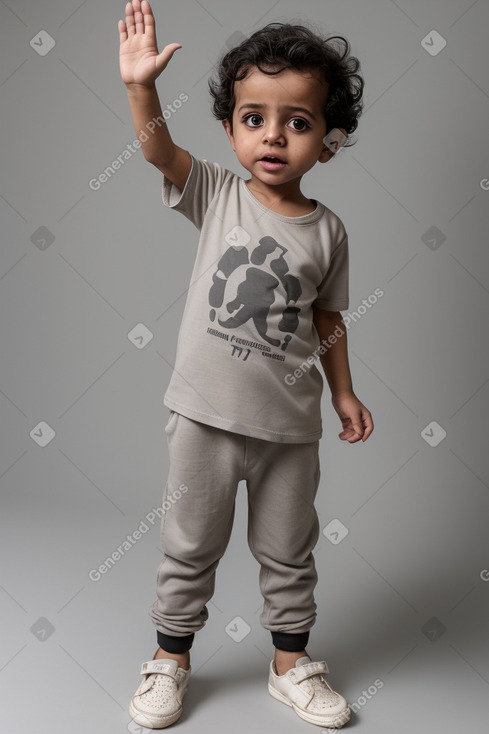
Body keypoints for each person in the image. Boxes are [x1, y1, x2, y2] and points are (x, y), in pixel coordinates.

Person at [118, 0, 374, 728]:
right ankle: (170, 660)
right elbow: (155, 149)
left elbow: (328, 317)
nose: (273, 135)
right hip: (204, 415)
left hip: (290, 428)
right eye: (253, 117)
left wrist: (344, 395)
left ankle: (291, 666)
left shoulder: (328, 231)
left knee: (289, 551)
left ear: (328, 140)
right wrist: (140, 86)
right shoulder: (218, 193)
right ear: (229, 130)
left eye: (297, 121)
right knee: (188, 543)